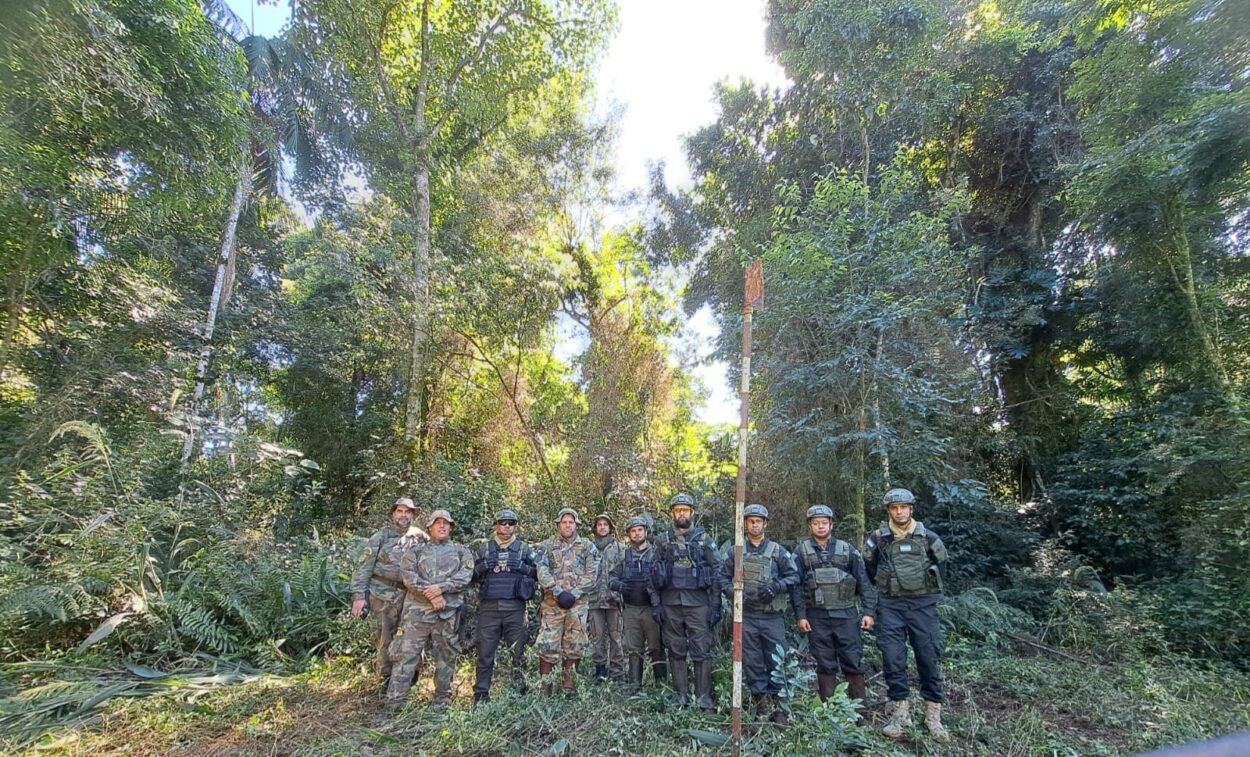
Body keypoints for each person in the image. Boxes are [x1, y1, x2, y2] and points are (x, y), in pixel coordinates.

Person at [863, 487, 951, 742]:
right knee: (893, 657)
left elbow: (942, 567)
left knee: (928, 656)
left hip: (923, 605)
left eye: (903, 507)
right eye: (894, 507)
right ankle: (900, 713)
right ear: (889, 510)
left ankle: (933, 715)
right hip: (890, 605)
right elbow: (868, 569)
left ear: (911, 508)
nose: (899, 511)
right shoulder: (878, 539)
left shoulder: (929, 537)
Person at [720, 503, 800, 724]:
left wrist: (776, 587)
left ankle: (780, 707)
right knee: (752, 660)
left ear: (765, 524)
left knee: (777, 658)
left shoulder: (777, 551)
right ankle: (760, 703)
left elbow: (794, 577)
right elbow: (721, 578)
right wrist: (735, 594)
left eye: (758, 521)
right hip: (747, 616)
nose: (754, 524)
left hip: (772, 616)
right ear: (745, 524)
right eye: (750, 521)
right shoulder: (736, 551)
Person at [793, 504, 876, 717]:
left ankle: (860, 711)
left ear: (831, 524)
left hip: (846, 614)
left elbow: (863, 581)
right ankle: (829, 711)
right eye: (815, 523)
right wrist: (800, 616)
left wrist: (868, 611)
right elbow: (795, 587)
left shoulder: (847, 550)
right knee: (824, 662)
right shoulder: (801, 552)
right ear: (810, 525)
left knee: (852, 661)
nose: (820, 526)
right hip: (816, 616)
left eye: (824, 522)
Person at [386, 509, 474, 706]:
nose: (442, 526)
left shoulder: (462, 551)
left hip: (448, 614)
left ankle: (442, 700)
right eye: (437, 523)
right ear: (429, 527)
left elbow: (465, 577)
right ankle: (395, 702)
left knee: (446, 657)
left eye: (446, 523)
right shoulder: (415, 551)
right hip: (417, 614)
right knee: (406, 656)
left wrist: (441, 588)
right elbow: (408, 576)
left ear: (451, 527)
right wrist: (432, 596)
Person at [651, 493, 722, 710]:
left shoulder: (704, 540)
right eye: (677, 510)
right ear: (672, 513)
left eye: (685, 510)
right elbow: (653, 573)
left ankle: (704, 698)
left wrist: (716, 605)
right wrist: (656, 604)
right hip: (670, 604)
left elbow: (717, 571)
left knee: (701, 650)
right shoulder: (662, 540)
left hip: (698, 604)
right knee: (676, 649)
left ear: (692, 513)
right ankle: (680, 695)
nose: (681, 514)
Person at [350, 496, 421, 687]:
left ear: (413, 515)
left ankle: (409, 681)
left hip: (411, 597)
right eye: (400, 511)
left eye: (407, 512)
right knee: (384, 639)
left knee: (412, 638)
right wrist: (359, 597)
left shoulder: (420, 537)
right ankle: (385, 681)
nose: (404, 515)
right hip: (382, 595)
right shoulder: (380, 537)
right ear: (393, 514)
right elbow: (363, 568)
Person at [470, 507, 538, 704]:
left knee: (518, 653)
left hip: (515, 609)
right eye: (503, 523)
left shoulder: (525, 549)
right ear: (496, 525)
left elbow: (539, 573)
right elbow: (469, 577)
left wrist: (523, 568)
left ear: (516, 526)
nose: (507, 526)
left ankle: (519, 693)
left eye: (511, 523)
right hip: (489, 608)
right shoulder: (484, 549)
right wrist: (483, 566)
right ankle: (481, 695)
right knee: (485, 654)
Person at [535, 508, 600, 694]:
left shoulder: (588, 546)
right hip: (551, 605)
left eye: (571, 522)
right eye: (564, 522)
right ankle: (545, 690)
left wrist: (575, 593)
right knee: (548, 645)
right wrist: (557, 592)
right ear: (558, 525)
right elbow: (542, 570)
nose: (567, 525)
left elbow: (592, 573)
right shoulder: (546, 546)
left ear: (577, 525)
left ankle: (568, 689)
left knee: (574, 645)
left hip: (577, 606)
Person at [609, 515, 666, 689]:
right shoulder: (625, 556)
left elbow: (664, 577)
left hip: (651, 609)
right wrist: (620, 586)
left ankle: (662, 685)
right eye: (633, 531)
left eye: (640, 530)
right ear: (629, 534)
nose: (636, 533)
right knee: (634, 649)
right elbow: (611, 577)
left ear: (646, 532)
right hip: (631, 609)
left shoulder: (656, 553)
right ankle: (635, 684)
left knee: (656, 648)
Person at [586, 513, 626, 681]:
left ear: (610, 528)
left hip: (613, 600)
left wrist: (618, 594)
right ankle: (600, 670)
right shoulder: (588, 547)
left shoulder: (619, 548)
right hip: (594, 600)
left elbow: (624, 573)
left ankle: (617, 672)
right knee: (597, 636)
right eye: (599, 524)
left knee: (616, 637)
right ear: (595, 528)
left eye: (605, 524)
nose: (602, 527)